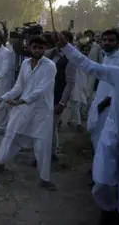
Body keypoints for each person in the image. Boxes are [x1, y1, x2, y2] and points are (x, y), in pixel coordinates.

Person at [54, 31, 119, 225]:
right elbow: (89, 66)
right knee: (102, 180)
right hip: (112, 135)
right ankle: (108, 210)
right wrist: (66, 46)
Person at [0, 35, 57, 191]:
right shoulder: (26, 64)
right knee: (12, 135)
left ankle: (44, 178)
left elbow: (42, 90)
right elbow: (18, 87)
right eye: (35, 47)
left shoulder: (50, 66)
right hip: (24, 108)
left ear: (45, 49)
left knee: (42, 144)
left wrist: (21, 101)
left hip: (42, 110)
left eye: (41, 48)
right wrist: (2, 98)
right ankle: (0, 163)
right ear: (29, 47)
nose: (38, 50)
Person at [86, 29, 119, 150]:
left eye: (111, 40)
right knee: (96, 134)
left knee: (107, 139)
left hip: (111, 106)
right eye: (104, 40)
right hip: (100, 101)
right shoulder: (106, 57)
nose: (106, 43)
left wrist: (106, 102)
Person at [44, 30, 76, 161]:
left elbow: (70, 83)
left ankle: (50, 154)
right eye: (55, 39)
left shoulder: (71, 58)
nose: (56, 41)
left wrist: (62, 103)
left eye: (60, 39)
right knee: (45, 126)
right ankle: (47, 152)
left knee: (51, 127)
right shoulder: (50, 53)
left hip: (57, 98)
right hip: (45, 96)